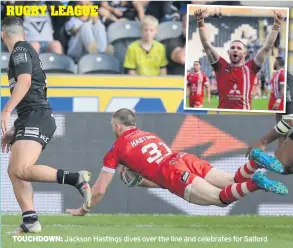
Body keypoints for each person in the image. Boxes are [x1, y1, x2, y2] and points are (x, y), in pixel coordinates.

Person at [66, 108, 288, 216]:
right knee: (230, 180)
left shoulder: (116, 149)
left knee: (220, 200)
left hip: (172, 172)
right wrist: (143, 180)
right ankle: (255, 164)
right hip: (183, 158)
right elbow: (157, 172)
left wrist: (84, 209)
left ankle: (256, 182)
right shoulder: (149, 134)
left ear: (117, 126)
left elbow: (100, 189)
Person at [1, 17, 92, 233]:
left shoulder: (20, 49)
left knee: (22, 169)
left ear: (3, 35)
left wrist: (5, 111)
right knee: (14, 170)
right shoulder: (24, 49)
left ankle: (75, 178)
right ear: (23, 33)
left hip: (37, 116)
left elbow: (25, 82)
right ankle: (30, 220)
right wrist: (15, 127)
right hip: (30, 116)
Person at [196, 8, 284, 110]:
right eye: (232, 48)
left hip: (244, 116)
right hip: (223, 117)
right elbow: (207, 45)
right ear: (228, 52)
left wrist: (276, 25)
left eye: (239, 48)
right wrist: (200, 21)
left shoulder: (251, 67)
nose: (235, 50)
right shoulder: (221, 66)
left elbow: (267, 47)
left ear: (245, 53)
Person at [247, 72, 293, 174]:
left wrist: (263, 141)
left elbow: (290, 120)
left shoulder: (286, 76)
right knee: (283, 165)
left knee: (281, 162)